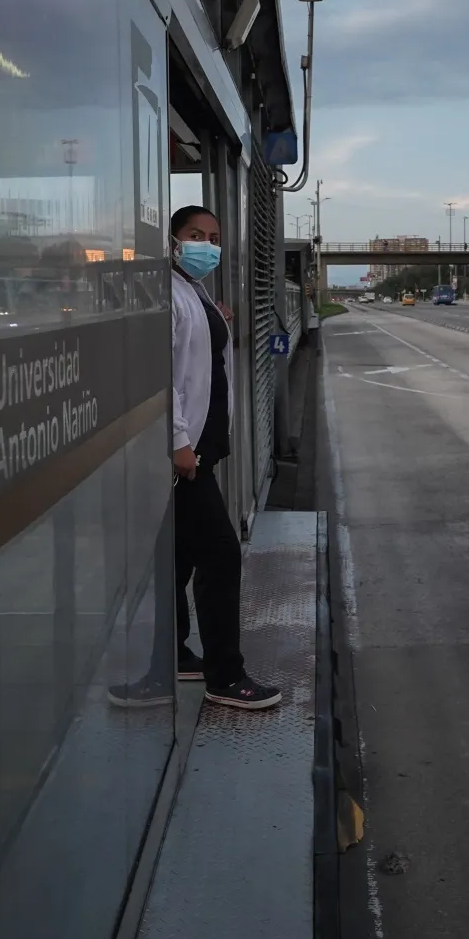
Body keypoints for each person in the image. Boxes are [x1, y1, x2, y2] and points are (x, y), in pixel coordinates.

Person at [110, 205, 282, 711]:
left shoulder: (191, 292)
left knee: (178, 560)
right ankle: (225, 677)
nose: (207, 243)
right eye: (195, 234)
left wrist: (216, 320)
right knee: (221, 556)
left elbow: (195, 354)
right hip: (185, 455)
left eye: (213, 236)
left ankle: (167, 665)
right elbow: (157, 372)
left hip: (199, 448)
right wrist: (178, 442)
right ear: (172, 240)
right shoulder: (167, 291)